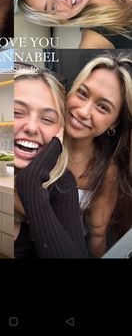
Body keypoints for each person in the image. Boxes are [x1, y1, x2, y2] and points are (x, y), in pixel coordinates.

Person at [14, 67, 89, 258]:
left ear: (59, 132)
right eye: (16, 112)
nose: (31, 127)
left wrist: (30, 183)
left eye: (47, 119)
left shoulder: (62, 184)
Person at [64, 53, 132, 257]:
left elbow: (97, 235)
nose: (84, 111)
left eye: (103, 107)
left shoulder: (106, 171)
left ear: (114, 123)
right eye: (82, 93)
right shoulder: (37, 138)